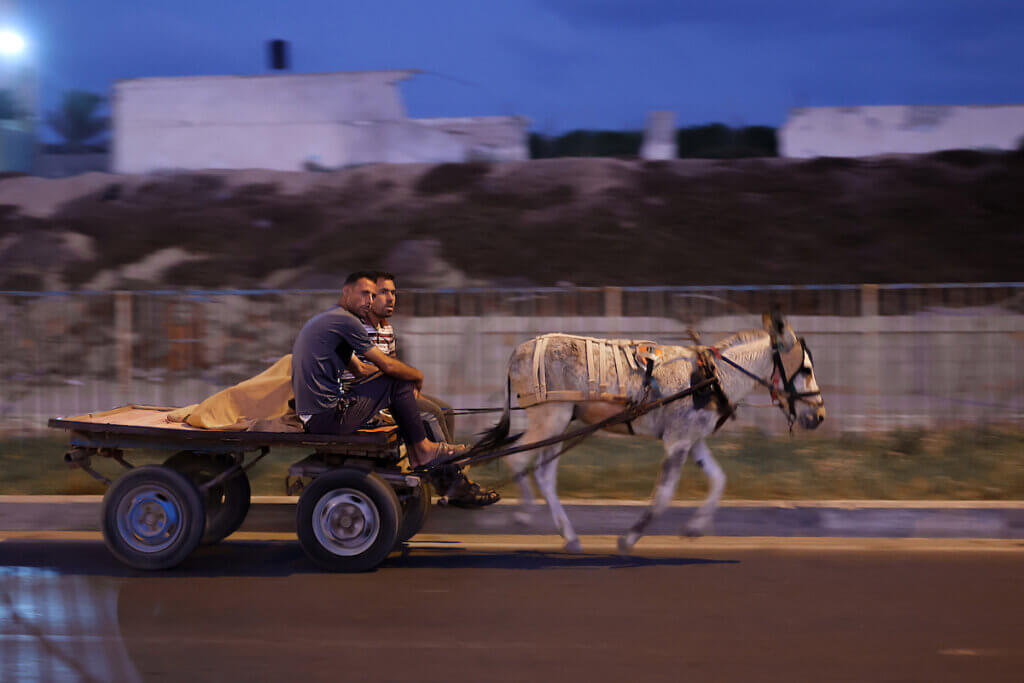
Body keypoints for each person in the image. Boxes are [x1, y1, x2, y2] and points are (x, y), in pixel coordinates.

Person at [291, 271, 499, 507]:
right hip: (326, 417)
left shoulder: (333, 320)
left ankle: (436, 467)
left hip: (318, 414)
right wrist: (413, 376)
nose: (368, 301)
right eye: (365, 294)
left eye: (372, 295)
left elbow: (361, 369)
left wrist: (392, 380)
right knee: (399, 381)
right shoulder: (346, 321)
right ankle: (425, 454)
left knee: (401, 382)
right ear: (346, 292)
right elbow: (386, 366)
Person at [340, 271, 456, 443]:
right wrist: (406, 381)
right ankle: (442, 462)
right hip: (366, 398)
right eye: (383, 292)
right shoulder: (356, 328)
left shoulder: (386, 329)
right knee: (433, 412)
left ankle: (448, 458)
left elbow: (393, 363)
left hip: (390, 392)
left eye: (393, 293)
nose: (390, 298)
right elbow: (364, 370)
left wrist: (407, 386)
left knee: (447, 411)